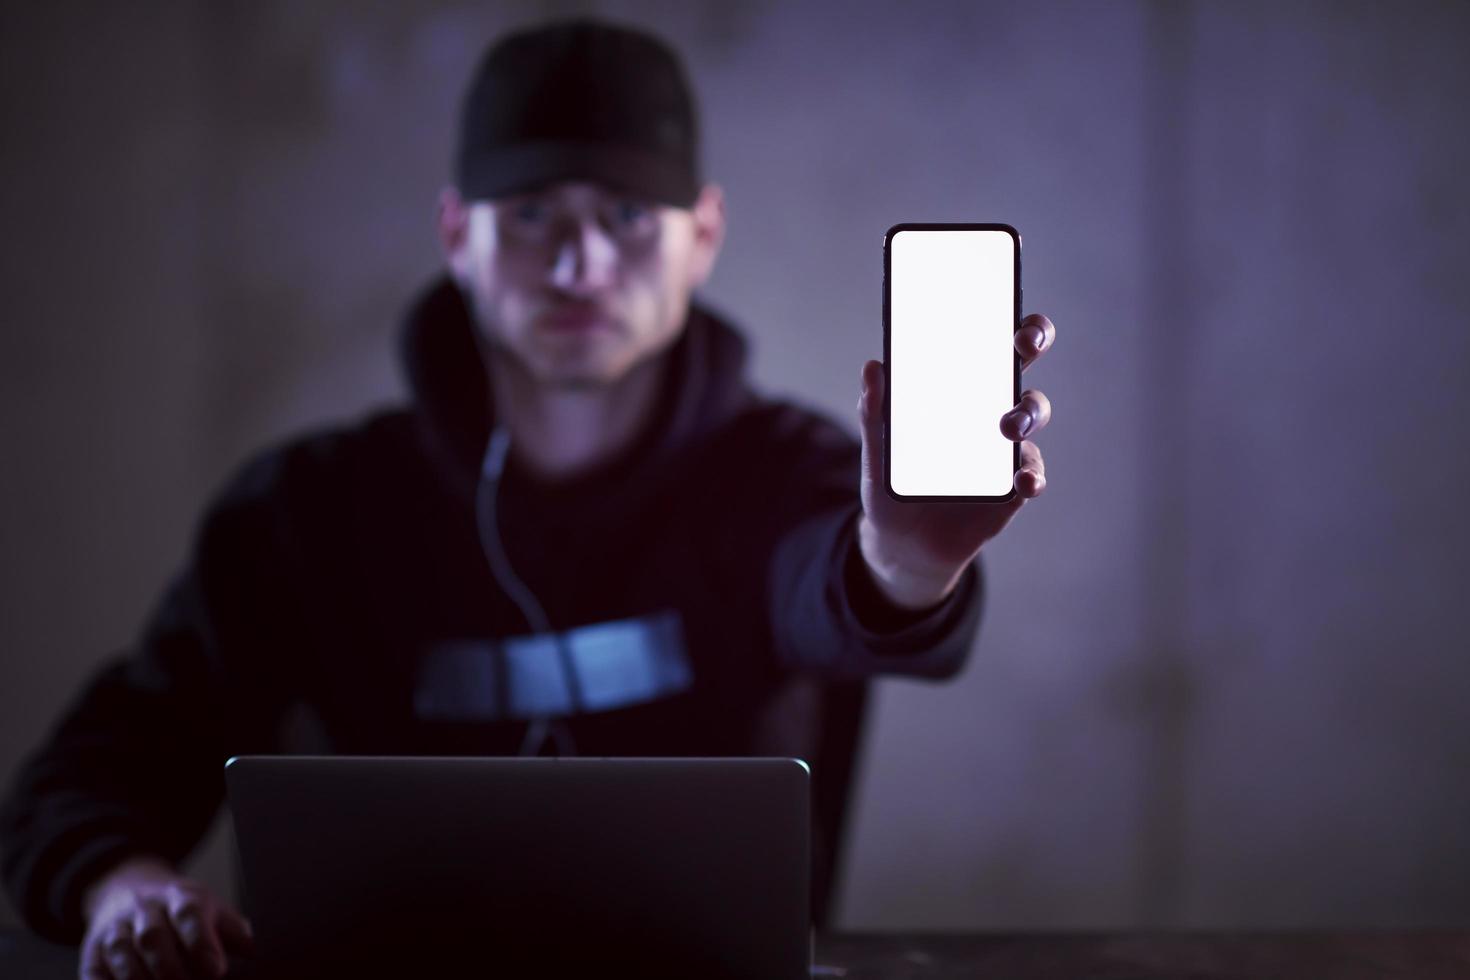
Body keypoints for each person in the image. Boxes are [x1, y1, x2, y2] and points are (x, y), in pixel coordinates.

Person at [0, 17, 1056, 980]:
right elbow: (83, 777)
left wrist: (908, 559)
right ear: (458, 234)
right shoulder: (304, 511)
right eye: (533, 213)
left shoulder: (785, 475)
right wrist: (124, 889)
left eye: (630, 215)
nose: (579, 263)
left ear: (705, 235)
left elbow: (834, 586)